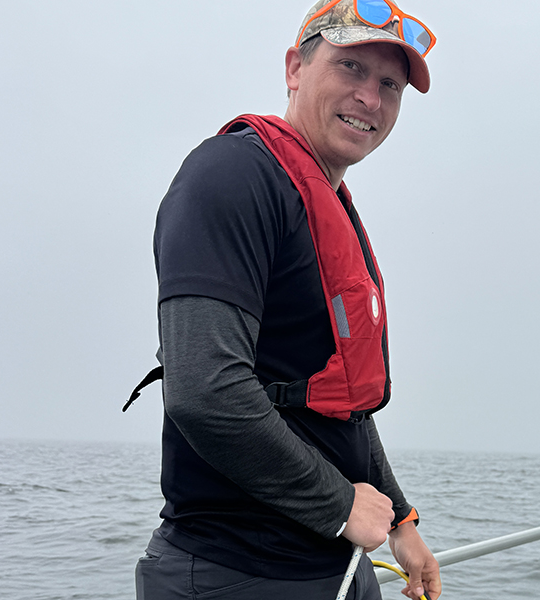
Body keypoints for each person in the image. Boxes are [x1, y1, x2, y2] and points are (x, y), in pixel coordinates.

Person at [133, 1, 441, 599]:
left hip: (338, 565)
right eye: (351, 68)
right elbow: (204, 392)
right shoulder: (232, 177)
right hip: (239, 573)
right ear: (295, 67)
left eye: (390, 85)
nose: (371, 99)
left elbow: (338, 401)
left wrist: (400, 519)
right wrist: (339, 504)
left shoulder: (326, 201)